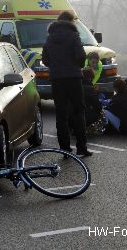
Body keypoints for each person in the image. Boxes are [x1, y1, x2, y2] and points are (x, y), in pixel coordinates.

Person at [42, 11, 92, 156]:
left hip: (57, 79)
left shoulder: (50, 38)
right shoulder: (73, 36)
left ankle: (65, 149)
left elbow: (45, 60)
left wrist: (56, 66)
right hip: (73, 78)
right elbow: (81, 56)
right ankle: (81, 147)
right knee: (78, 112)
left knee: (61, 114)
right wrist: (77, 65)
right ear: (70, 22)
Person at [81, 67, 107, 135]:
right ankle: (93, 127)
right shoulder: (89, 89)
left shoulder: (73, 86)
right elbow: (98, 107)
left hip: (69, 118)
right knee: (101, 111)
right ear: (90, 78)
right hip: (82, 119)